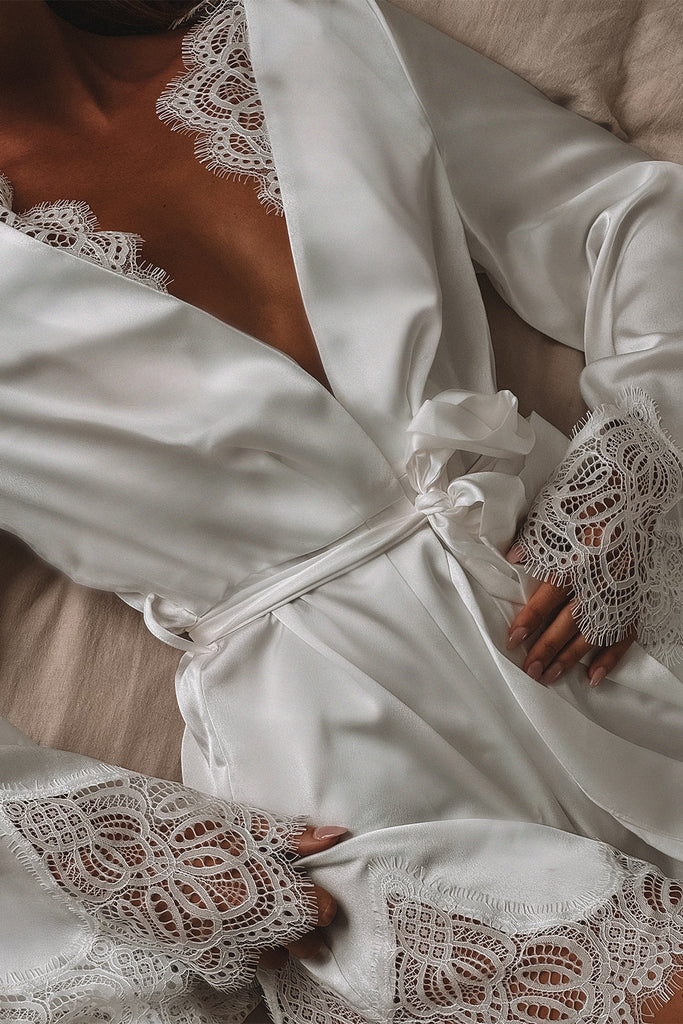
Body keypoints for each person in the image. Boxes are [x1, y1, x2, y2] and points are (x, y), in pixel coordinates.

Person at [0, 0, 681, 1021]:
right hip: (333, 790)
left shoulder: (309, 31)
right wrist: (110, 845)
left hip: (581, 601)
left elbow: (628, 221)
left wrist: (638, 457)